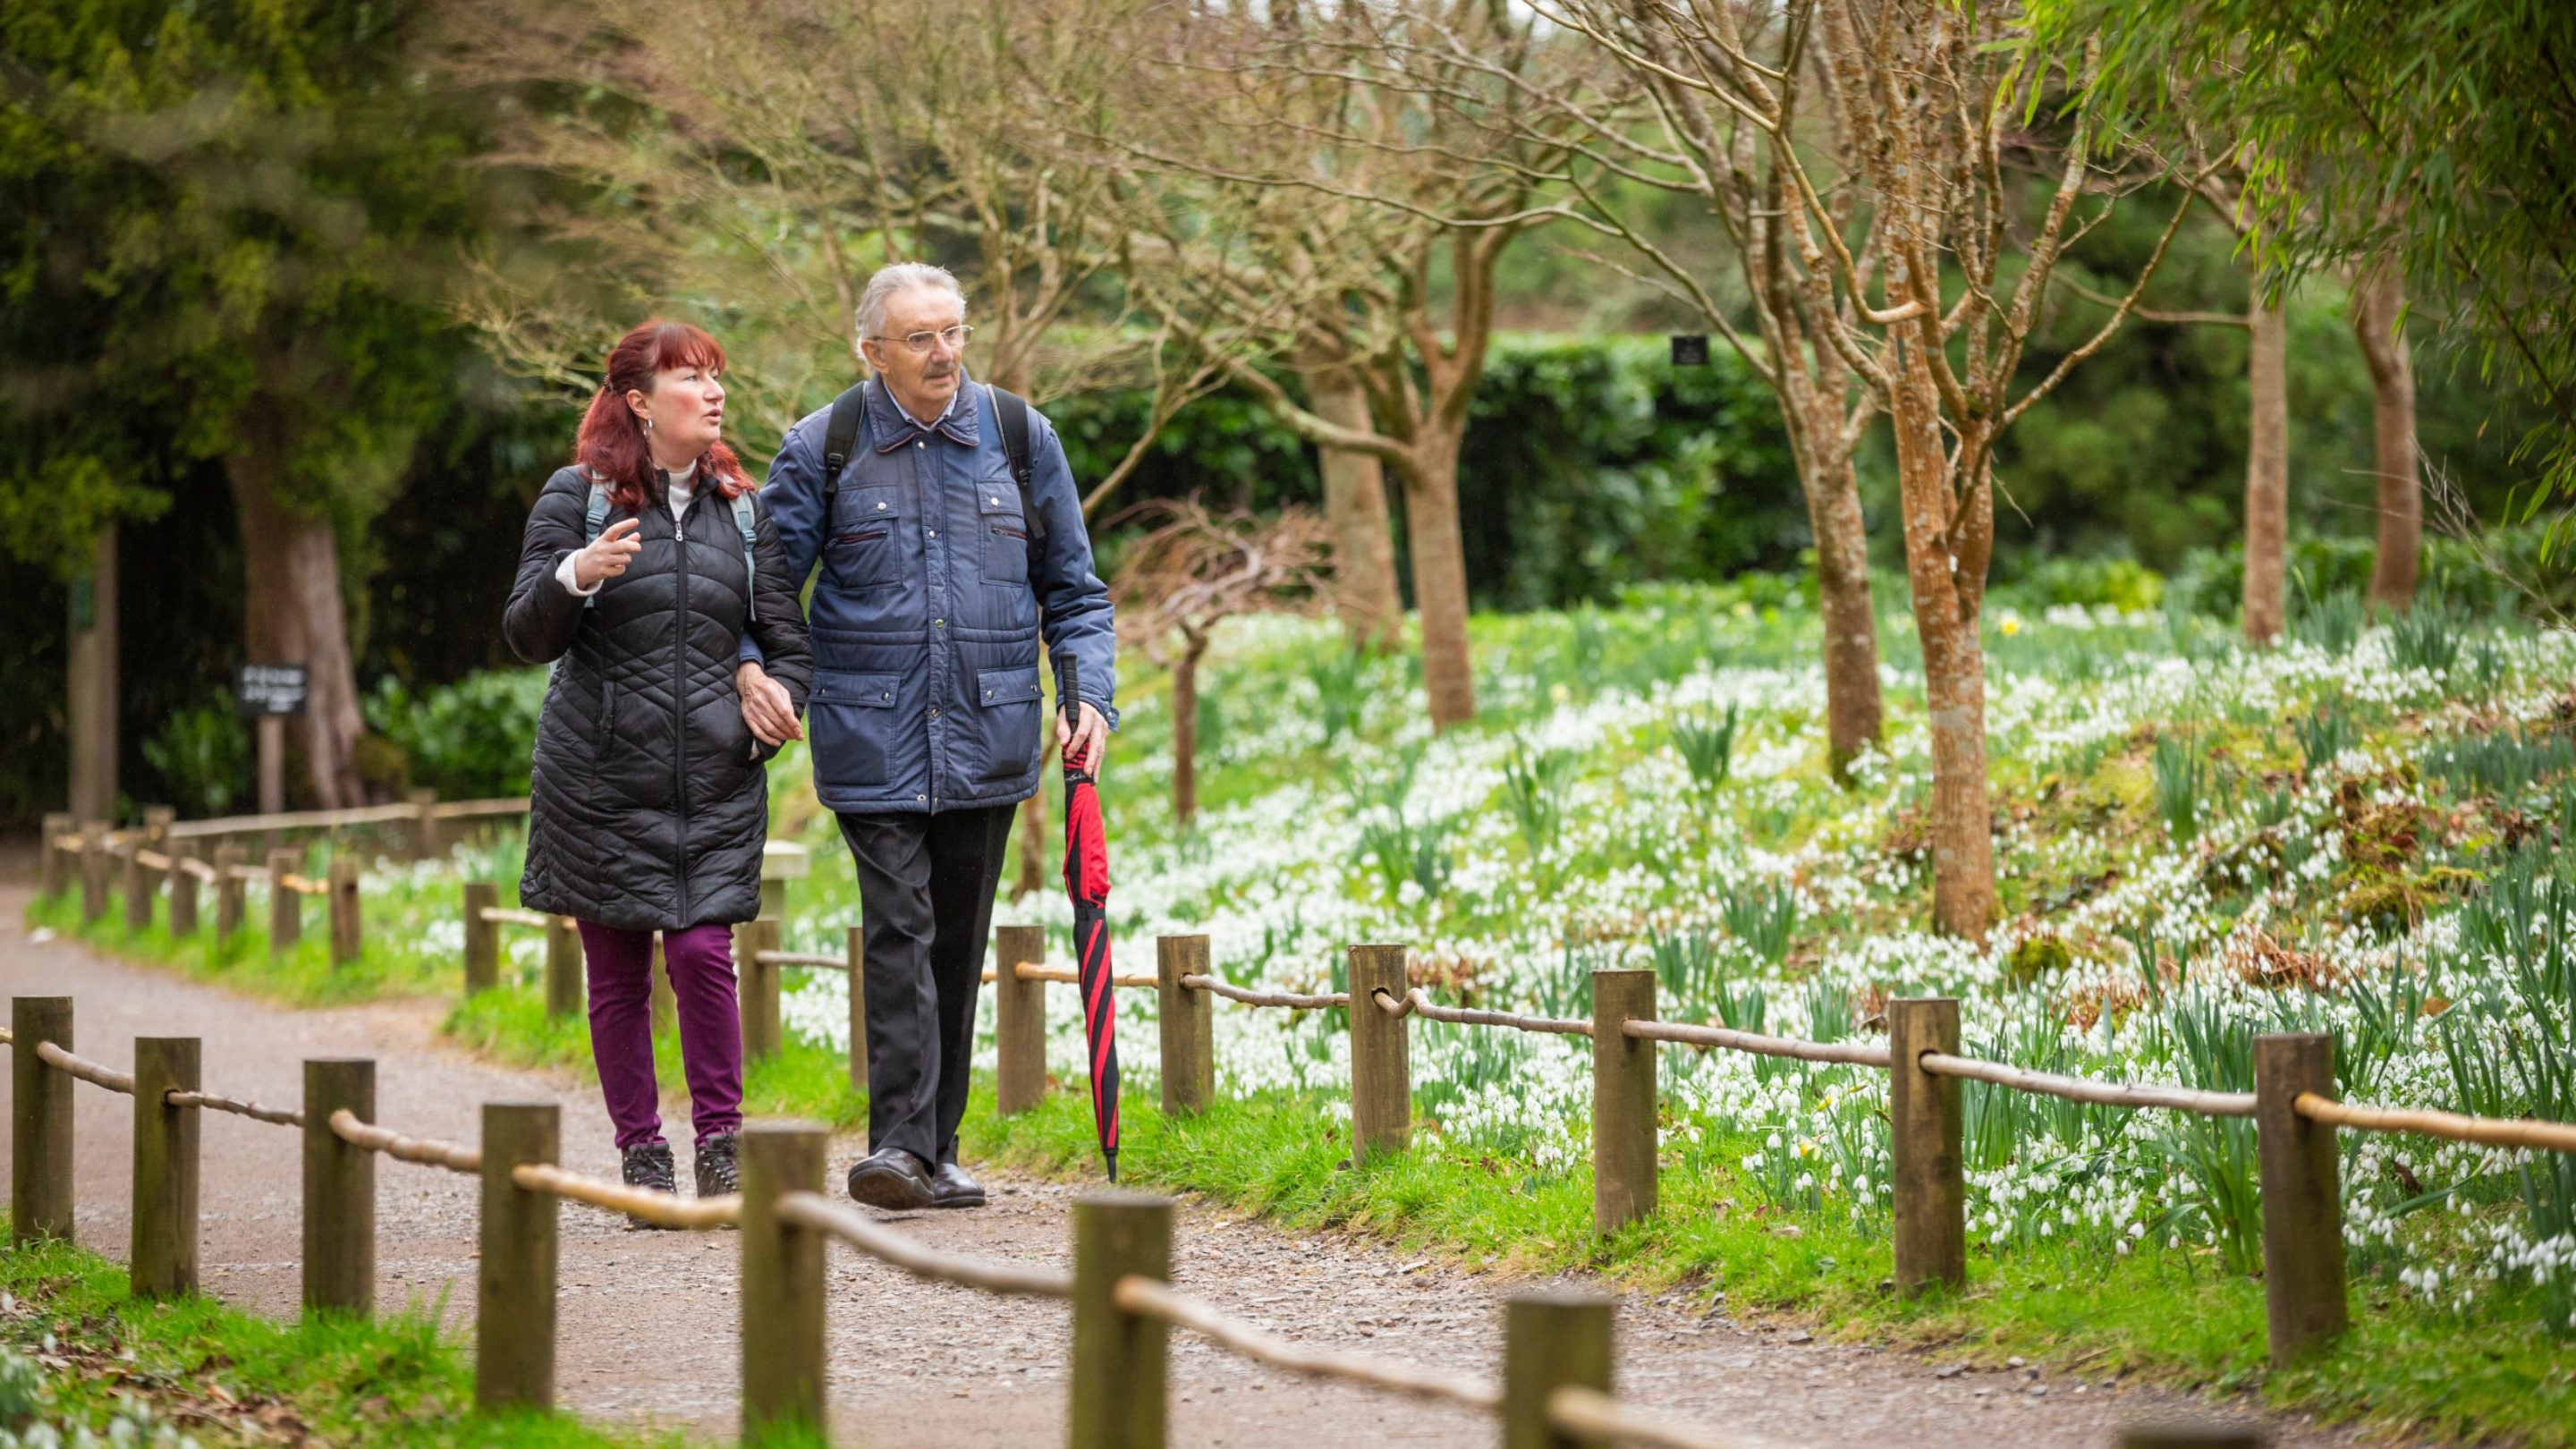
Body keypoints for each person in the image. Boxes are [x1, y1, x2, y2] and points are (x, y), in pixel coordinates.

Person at [737, 262, 1115, 1210]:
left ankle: (933, 1152)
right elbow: (763, 589)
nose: (944, 352)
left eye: (953, 332)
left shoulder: (1021, 438)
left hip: (989, 733)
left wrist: (1091, 698)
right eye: (921, 338)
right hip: (872, 735)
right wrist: (758, 669)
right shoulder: (825, 446)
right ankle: (899, 1148)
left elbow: (1075, 593)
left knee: (957, 938)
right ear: (872, 352)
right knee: (900, 925)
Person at [504, 319, 813, 1214]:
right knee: (618, 973)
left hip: (714, 776)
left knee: (703, 950)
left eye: (718, 376)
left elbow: (790, 642)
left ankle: (722, 1141)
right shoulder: (579, 499)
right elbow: (525, 632)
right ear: (638, 402)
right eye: (691, 378)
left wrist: (770, 697)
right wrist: (577, 574)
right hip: (597, 780)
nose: (715, 392)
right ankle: (642, 1150)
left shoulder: (745, 513)